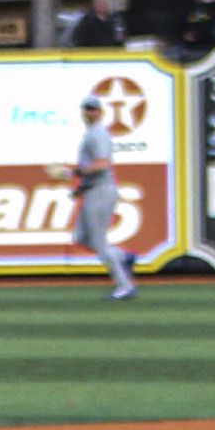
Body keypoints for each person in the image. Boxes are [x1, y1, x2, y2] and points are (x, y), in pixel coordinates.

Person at [47, 94, 139, 300]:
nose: (90, 112)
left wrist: (73, 173)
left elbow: (102, 164)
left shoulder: (98, 133)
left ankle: (124, 286)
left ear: (100, 112)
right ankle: (123, 257)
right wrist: (80, 188)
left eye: (93, 109)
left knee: (98, 242)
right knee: (81, 238)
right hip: (93, 190)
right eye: (87, 109)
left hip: (101, 191)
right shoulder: (91, 133)